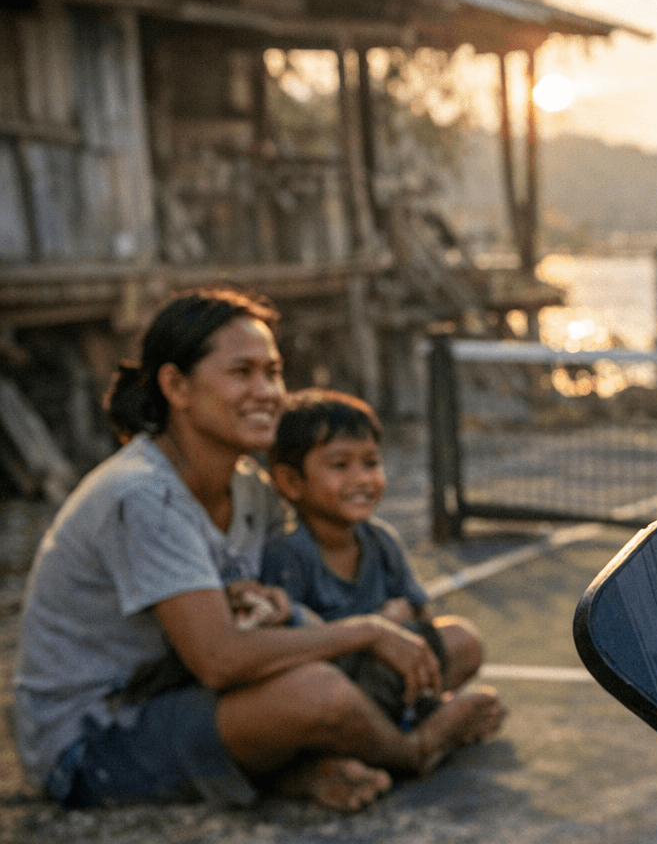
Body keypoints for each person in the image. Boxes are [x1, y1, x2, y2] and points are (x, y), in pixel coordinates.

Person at [13, 289, 505, 813]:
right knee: (319, 692)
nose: (268, 391)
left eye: (273, 372)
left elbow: (278, 608)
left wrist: (311, 612)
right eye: (242, 372)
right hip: (96, 738)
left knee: (453, 644)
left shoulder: (250, 489)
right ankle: (412, 748)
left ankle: (308, 766)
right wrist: (367, 631)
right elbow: (220, 660)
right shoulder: (144, 496)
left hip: (191, 695)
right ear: (176, 385)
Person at [260, 388, 487, 728]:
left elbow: (419, 610)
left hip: (391, 673)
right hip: (335, 684)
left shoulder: (381, 540)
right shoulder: (287, 552)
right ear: (291, 482)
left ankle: (415, 714)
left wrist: (403, 619)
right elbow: (287, 650)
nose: (362, 478)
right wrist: (371, 630)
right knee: (319, 690)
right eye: (340, 464)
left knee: (463, 640)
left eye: (371, 462)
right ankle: (406, 729)